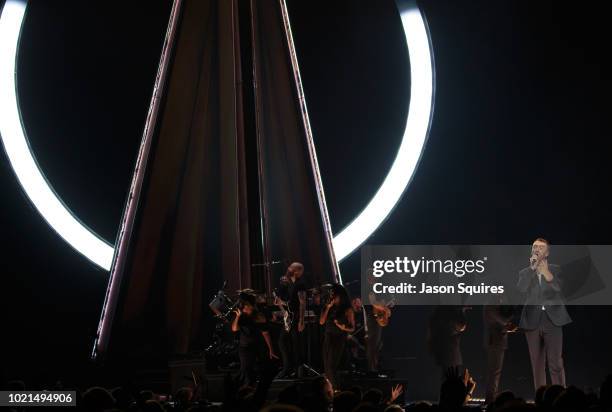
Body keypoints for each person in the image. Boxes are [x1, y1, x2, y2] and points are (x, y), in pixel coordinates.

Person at [517, 237, 571, 390]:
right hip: (532, 321)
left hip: (552, 320)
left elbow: (559, 290)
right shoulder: (525, 272)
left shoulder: (556, 270)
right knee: (537, 364)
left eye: (541, 247)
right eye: (534, 246)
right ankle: (541, 398)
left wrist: (546, 272)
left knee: (555, 362)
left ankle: (560, 395)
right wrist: (532, 270)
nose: (536, 249)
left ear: (547, 253)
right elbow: (521, 290)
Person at [231, 292, 278, 386]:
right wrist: (237, 316)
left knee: (256, 371)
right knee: (245, 371)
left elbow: (265, 333)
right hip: (244, 347)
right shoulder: (241, 315)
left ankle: (251, 389)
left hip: (257, 347)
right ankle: (244, 390)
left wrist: (271, 350)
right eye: (244, 305)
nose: (244, 307)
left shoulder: (259, 316)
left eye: (247, 305)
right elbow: (234, 329)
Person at [483, 295, 517, 404]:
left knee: (495, 372)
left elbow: (502, 323)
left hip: (497, 342)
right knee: (494, 372)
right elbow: (503, 321)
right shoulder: (491, 305)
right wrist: (512, 311)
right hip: (495, 342)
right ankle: (490, 400)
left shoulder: (494, 305)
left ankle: (491, 398)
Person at [319, 284, 355, 387]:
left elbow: (352, 327)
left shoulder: (347, 309)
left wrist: (343, 328)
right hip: (328, 337)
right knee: (326, 366)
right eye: (331, 294)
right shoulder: (328, 306)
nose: (332, 297)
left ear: (340, 295)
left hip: (338, 338)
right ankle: (330, 389)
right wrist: (327, 308)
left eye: (334, 295)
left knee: (331, 365)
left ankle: (335, 389)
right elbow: (321, 322)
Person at [275, 262, 307, 378]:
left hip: (297, 316)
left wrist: (301, 321)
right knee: (282, 341)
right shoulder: (286, 282)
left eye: (291, 268)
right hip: (288, 316)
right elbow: (278, 299)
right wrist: (284, 312)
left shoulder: (300, 284)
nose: (288, 268)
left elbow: (302, 303)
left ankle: (299, 369)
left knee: (296, 343)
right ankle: (287, 367)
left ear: (297, 271)